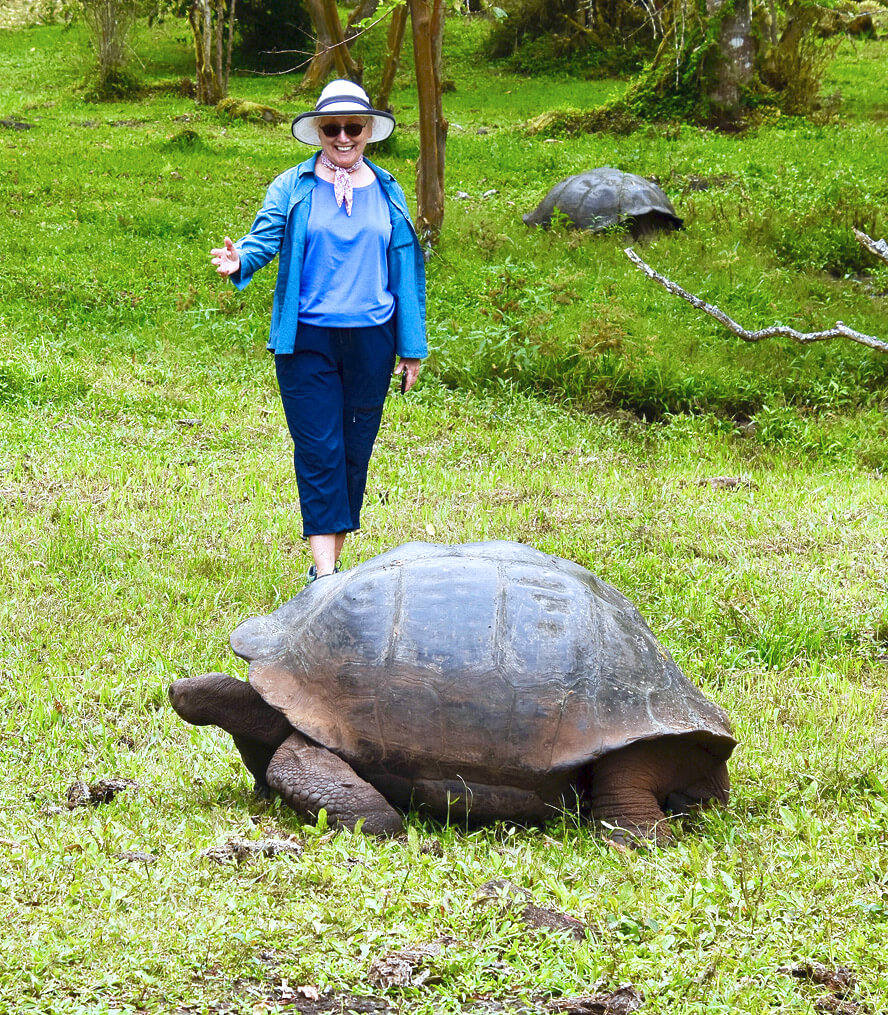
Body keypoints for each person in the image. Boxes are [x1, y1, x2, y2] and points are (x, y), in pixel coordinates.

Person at [210, 81, 427, 584]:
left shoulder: (388, 189)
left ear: (368, 130)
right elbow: (264, 237)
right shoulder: (294, 185)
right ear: (319, 132)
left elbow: (405, 271)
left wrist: (411, 347)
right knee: (319, 450)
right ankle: (325, 579)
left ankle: (332, 570)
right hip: (308, 340)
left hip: (373, 341)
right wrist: (241, 258)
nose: (343, 137)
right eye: (333, 128)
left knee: (353, 452)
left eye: (353, 127)